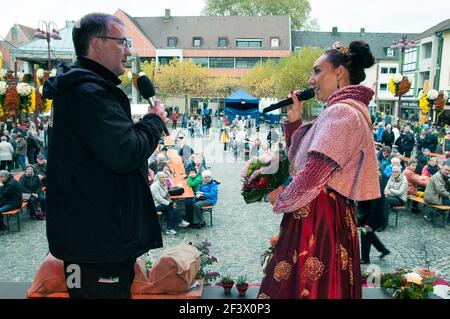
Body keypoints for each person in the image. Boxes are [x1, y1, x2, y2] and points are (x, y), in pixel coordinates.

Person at [42, 13, 168, 299]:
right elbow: (124, 153)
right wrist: (154, 121)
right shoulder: (90, 94)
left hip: (91, 234)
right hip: (97, 240)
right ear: (97, 44)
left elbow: (99, 155)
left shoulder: (82, 89)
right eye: (122, 42)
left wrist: (136, 172)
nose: (128, 50)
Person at [259, 41, 379, 299]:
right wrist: (294, 123)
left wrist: (280, 197)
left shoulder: (342, 113)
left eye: (317, 71)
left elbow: (313, 174)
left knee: (305, 285)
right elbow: (301, 161)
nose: (311, 79)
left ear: (339, 73)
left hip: (318, 215)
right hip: (323, 212)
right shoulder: (342, 111)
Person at [357, 174, 390, 264]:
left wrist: (369, 223)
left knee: (366, 236)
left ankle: (365, 259)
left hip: (373, 218)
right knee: (369, 235)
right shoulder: (370, 188)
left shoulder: (376, 192)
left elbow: (376, 210)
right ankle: (383, 250)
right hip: (368, 216)